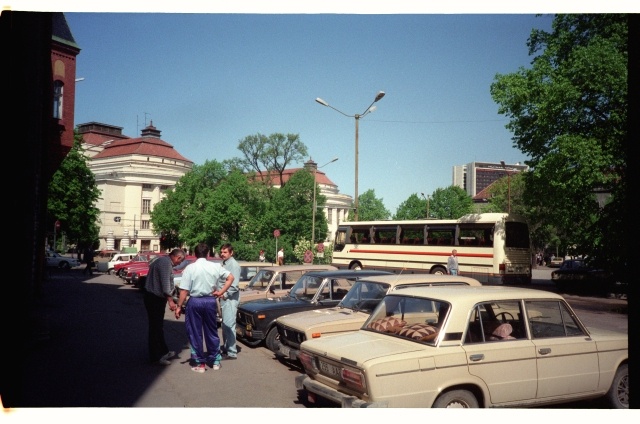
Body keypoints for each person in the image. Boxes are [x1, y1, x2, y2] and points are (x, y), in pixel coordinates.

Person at [174, 243, 233, 373]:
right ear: (207, 254)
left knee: (195, 332)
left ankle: (200, 363)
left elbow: (184, 290)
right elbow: (231, 277)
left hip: (195, 302)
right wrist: (221, 291)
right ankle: (215, 361)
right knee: (211, 331)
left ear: (195, 254)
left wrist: (179, 306)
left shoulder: (190, 268)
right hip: (210, 300)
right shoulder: (215, 266)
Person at [144, 248, 185, 366]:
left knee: (157, 327)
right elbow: (165, 285)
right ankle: (157, 357)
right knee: (156, 327)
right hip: (155, 299)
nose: (179, 264)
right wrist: (171, 302)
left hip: (151, 297)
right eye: (180, 261)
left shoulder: (161, 260)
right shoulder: (166, 263)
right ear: (177, 257)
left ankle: (163, 351)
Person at [218, 243, 241, 360]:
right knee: (225, 325)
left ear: (231, 253)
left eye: (225, 252)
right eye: (221, 252)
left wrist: (225, 294)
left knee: (229, 325)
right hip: (223, 299)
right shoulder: (224, 263)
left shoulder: (233, 265)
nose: (222, 254)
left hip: (230, 299)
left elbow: (234, 285)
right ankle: (227, 349)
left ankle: (232, 352)